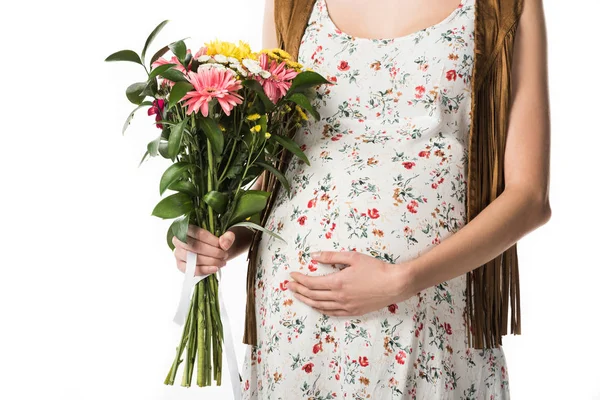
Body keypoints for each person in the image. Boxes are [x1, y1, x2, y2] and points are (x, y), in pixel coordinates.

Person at [172, 0, 551, 397]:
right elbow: (275, 165)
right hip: (293, 324)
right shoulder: (291, 4)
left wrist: (402, 280)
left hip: (426, 312)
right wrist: (222, 238)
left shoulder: (504, 6)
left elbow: (530, 197)